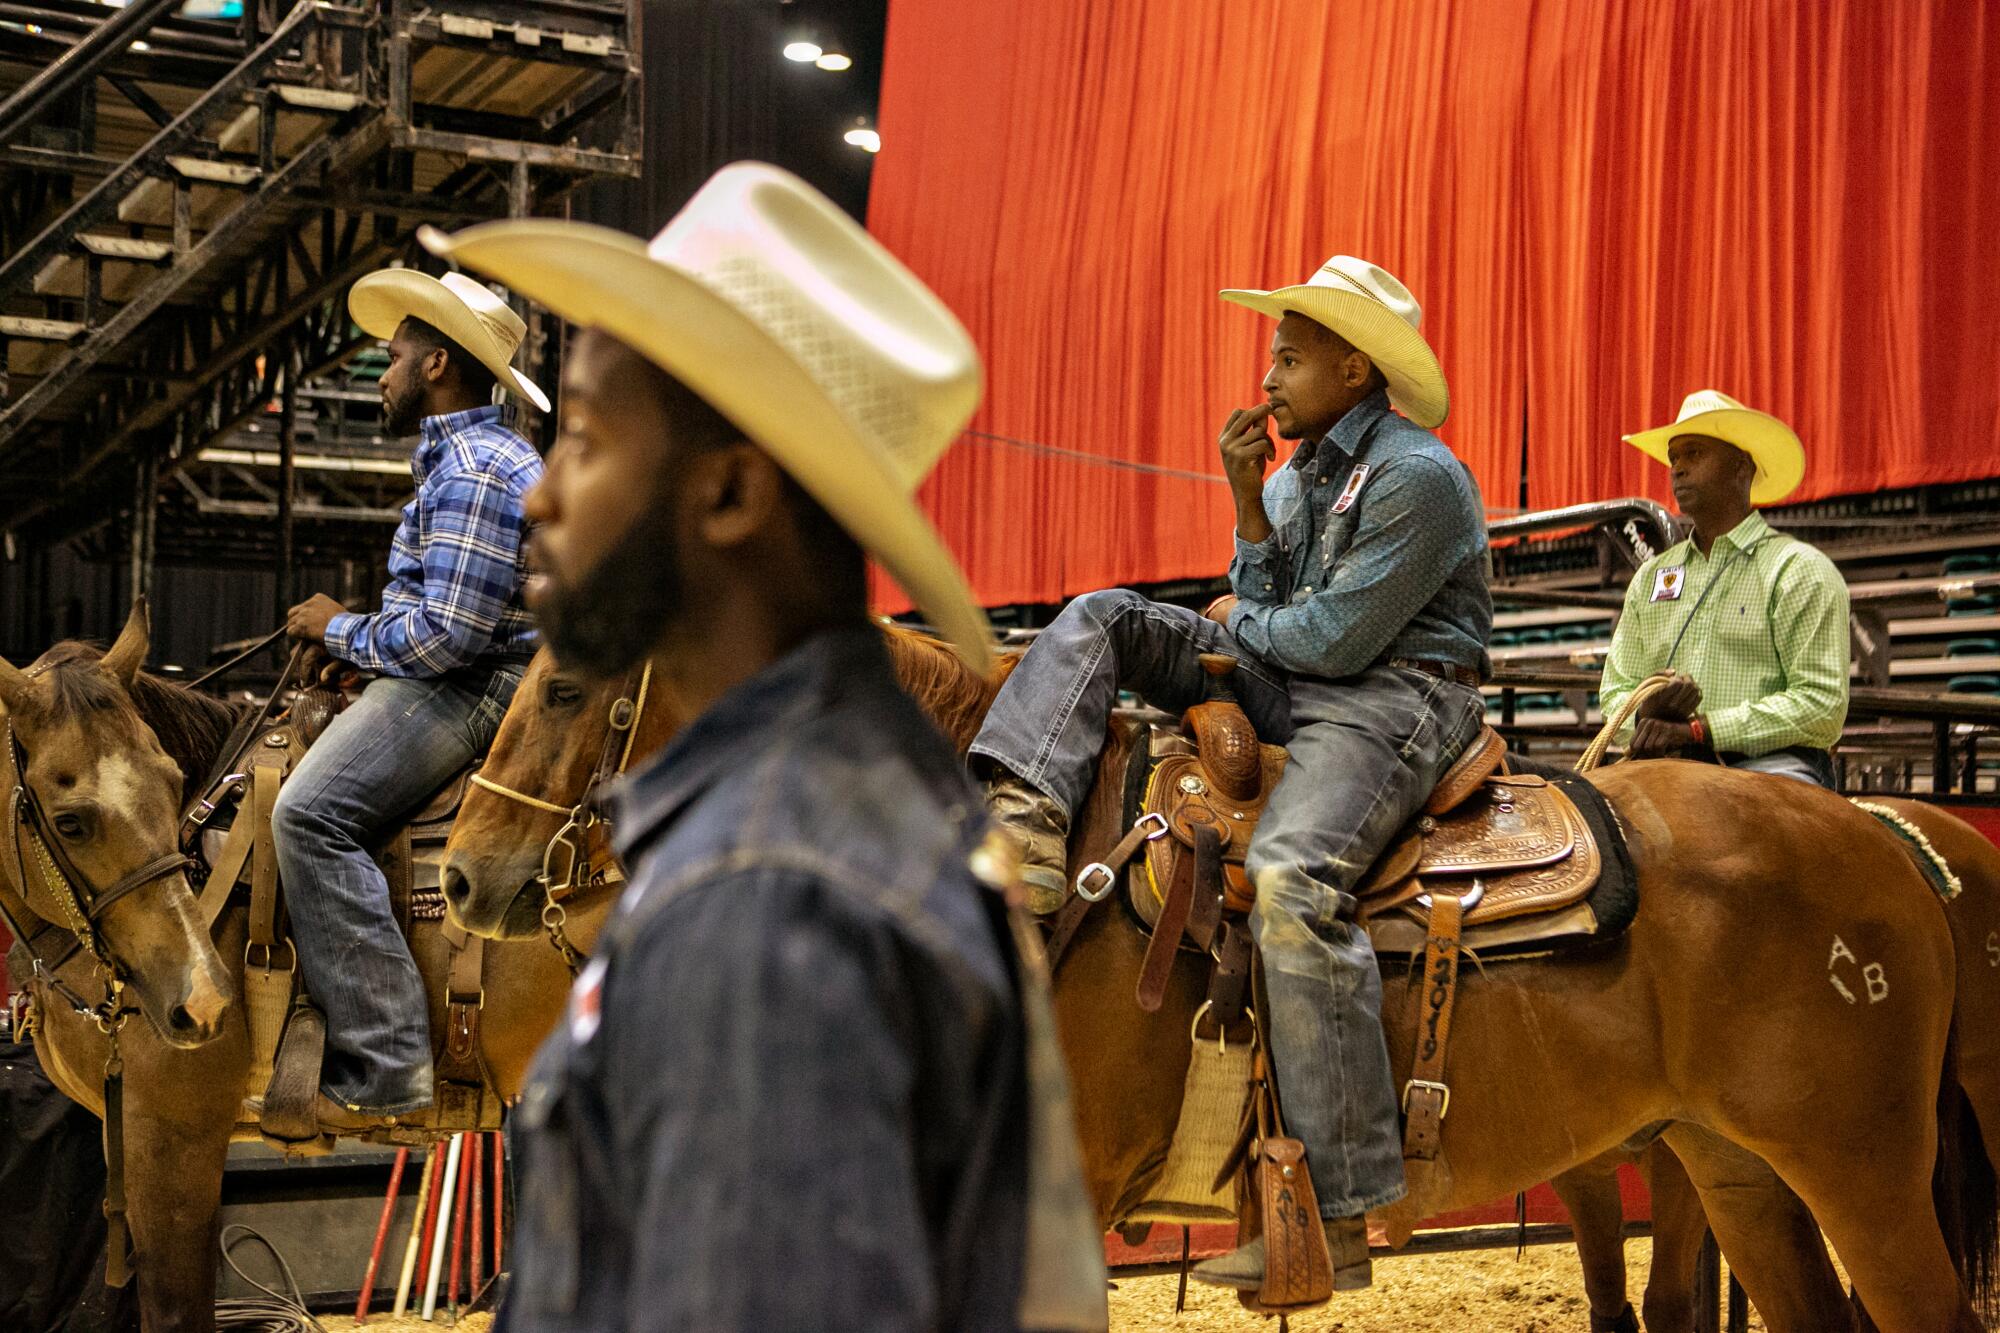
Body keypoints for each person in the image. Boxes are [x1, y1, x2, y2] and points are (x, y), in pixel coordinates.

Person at [422, 163, 1103, 1331]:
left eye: (583, 438)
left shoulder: (762, 905)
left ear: (731, 493)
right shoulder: (853, 814)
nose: (539, 499)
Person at [971, 256, 1492, 1290]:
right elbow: (1258, 593)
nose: (1269, 377)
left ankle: (1336, 1213)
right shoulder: (1298, 473)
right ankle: (1025, 816)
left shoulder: (1417, 474)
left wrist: (1233, 623)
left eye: (1290, 358)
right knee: (1101, 614)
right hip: (1293, 672)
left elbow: (1336, 638)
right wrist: (1247, 500)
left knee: (1296, 885)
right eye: (1273, 355)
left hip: (1394, 697)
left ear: (1353, 368)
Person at [275, 269, 546, 1127]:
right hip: (467, 673)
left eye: (393, 358)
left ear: (437, 366)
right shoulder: (473, 460)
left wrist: (340, 630)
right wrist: (359, 658)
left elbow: (451, 637)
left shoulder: (472, 467)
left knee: (305, 816)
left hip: (478, 686)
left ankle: (386, 1063)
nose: (382, 373)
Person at [1598, 390, 1849, 785]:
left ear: (1740, 468)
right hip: (1667, 765)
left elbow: (1821, 706)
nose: (1677, 469)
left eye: (1694, 454)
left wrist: (1701, 730)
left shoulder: (1799, 570)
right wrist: (1646, 714)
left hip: (1772, 765)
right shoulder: (1649, 579)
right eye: (1674, 458)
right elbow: (1615, 693)